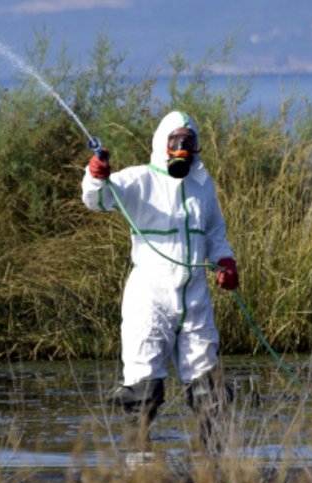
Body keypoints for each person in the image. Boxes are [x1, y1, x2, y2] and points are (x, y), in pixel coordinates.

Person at [81, 110, 238, 455]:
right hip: (150, 296)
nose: (182, 148)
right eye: (175, 141)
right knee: (143, 387)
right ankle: (139, 463)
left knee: (208, 386)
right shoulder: (140, 180)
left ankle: (215, 463)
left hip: (195, 295)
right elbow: (98, 198)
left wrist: (225, 262)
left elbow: (215, 233)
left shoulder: (202, 185)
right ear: (161, 144)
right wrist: (96, 175)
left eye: (188, 141)